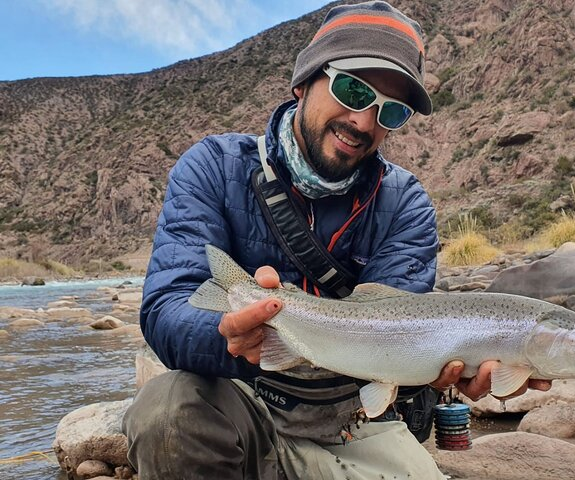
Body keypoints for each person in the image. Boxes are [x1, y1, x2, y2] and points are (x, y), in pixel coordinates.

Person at [122, 2, 551, 479]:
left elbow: (398, 340)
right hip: (240, 405)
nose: (364, 123)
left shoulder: (405, 203)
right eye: (352, 89)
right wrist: (231, 335)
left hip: (354, 423)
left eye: (390, 111)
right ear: (303, 82)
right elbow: (168, 307)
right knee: (167, 411)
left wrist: (452, 369)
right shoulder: (213, 168)